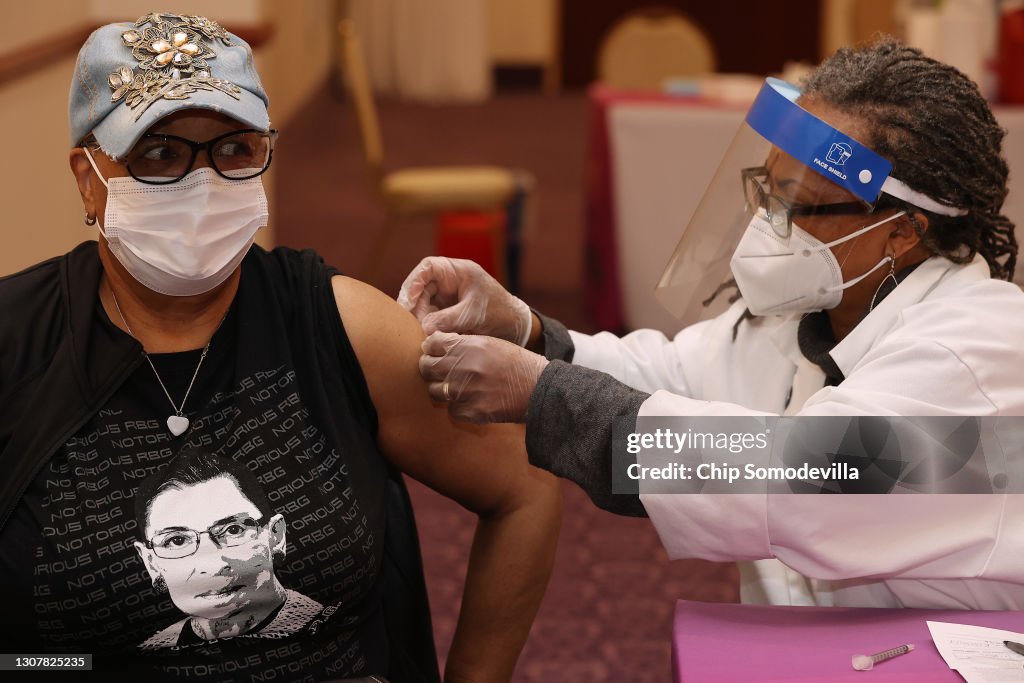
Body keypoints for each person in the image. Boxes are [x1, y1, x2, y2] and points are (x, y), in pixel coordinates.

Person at [0, 12, 561, 682]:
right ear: (89, 177)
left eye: (234, 149)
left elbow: (525, 484)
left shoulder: (338, 324)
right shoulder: (16, 344)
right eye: (159, 152)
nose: (200, 183)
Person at [400, 39, 1024, 610]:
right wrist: (529, 331)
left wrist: (541, 394)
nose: (770, 223)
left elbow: (804, 483)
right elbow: (672, 377)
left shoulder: (976, 353)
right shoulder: (822, 306)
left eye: (800, 205)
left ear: (901, 231)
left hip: (946, 656)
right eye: (768, 191)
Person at [133, 448, 326, 649]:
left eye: (233, 530)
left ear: (276, 536)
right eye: (177, 541)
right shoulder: (145, 656)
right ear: (152, 563)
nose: (213, 565)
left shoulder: (329, 624)